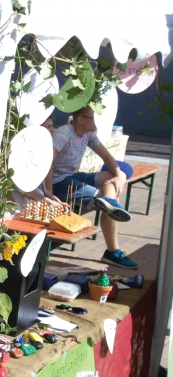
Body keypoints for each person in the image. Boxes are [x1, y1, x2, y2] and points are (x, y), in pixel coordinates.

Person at [48, 107, 137, 269]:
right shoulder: (63, 134)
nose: (98, 122)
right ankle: (112, 250)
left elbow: (106, 156)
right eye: (94, 117)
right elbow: (47, 164)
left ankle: (108, 201)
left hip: (73, 176)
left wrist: (118, 174)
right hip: (58, 183)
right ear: (81, 119)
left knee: (112, 177)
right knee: (108, 197)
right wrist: (48, 192)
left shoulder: (88, 133)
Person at [12, 116, 64, 213]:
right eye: (49, 127)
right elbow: (23, 188)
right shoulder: (21, 151)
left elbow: (37, 186)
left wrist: (51, 197)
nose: (54, 130)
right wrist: (47, 201)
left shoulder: (39, 149)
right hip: (24, 209)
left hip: (36, 202)